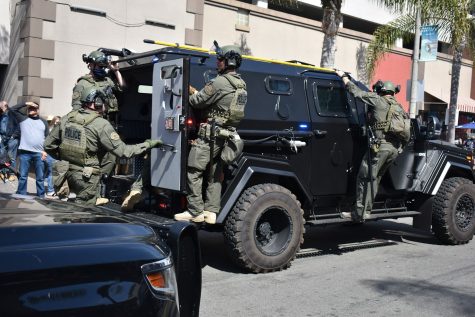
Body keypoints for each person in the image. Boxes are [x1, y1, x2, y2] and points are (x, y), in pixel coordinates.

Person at [44, 87, 163, 206]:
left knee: (68, 210)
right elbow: (124, 152)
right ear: (97, 102)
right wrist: (148, 144)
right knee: (84, 216)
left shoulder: (67, 118)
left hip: (64, 174)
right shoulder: (101, 124)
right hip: (86, 178)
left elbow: (48, 145)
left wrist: (66, 158)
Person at [174, 43, 247, 224]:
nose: (217, 61)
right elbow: (221, 104)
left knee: (194, 171)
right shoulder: (241, 84)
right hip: (225, 136)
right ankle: (211, 212)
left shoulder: (220, 82)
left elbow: (197, 101)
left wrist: (192, 92)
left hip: (209, 136)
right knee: (215, 174)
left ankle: (195, 210)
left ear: (228, 61)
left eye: (220, 59)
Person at [335, 70, 408, 222]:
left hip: (380, 148)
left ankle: (358, 214)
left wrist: (344, 77)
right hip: (393, 150)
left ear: (381, 91)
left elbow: (357, 93)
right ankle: (366, 210)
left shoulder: (378, 100)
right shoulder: (399, 107)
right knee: (375, 179)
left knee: (364, 177)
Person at [71, 50, 125, 178]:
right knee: (91, 159)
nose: (102, 69)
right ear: (91, 65)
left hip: (106, 125)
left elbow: (121, 87)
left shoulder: (106, 80)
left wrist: (116, 71)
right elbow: (76, 109)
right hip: (90, 127)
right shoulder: (82, 83)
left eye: (104, 67)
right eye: (99, 66)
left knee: (112, 154)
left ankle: (100, 181)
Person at [10, 101, 48, 198]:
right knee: (23, 176)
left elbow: (47, 138)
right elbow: (12, 109)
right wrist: (26, 103)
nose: (31, 109)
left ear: (38, 110)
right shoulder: (23, 118)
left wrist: (45, 151)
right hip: (25, 153)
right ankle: (21, 195)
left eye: (33, 108)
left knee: (40, 177)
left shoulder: (43, 122)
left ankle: (41, 196)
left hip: (39, 153)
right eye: (30, 108)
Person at [0, 100, 20, 180]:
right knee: (2, 156)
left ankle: (12, 174)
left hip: (12, 139)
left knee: (11, 157)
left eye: (1, 105)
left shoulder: (12, 115)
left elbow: (19, 126)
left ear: (4, 106)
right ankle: (2, 173)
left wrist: (14, 136)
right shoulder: (1, 115)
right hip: (2, 138)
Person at [44, 115, 61, 197]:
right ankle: (50, 191)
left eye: (59, 122)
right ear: (53, 121)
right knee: (51, 173)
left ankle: (48, 189)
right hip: (51, 154)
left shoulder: (51, 129)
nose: (58, 123)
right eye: (57, 122)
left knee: (49, 173)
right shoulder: (52, 131)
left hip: (52, 154)